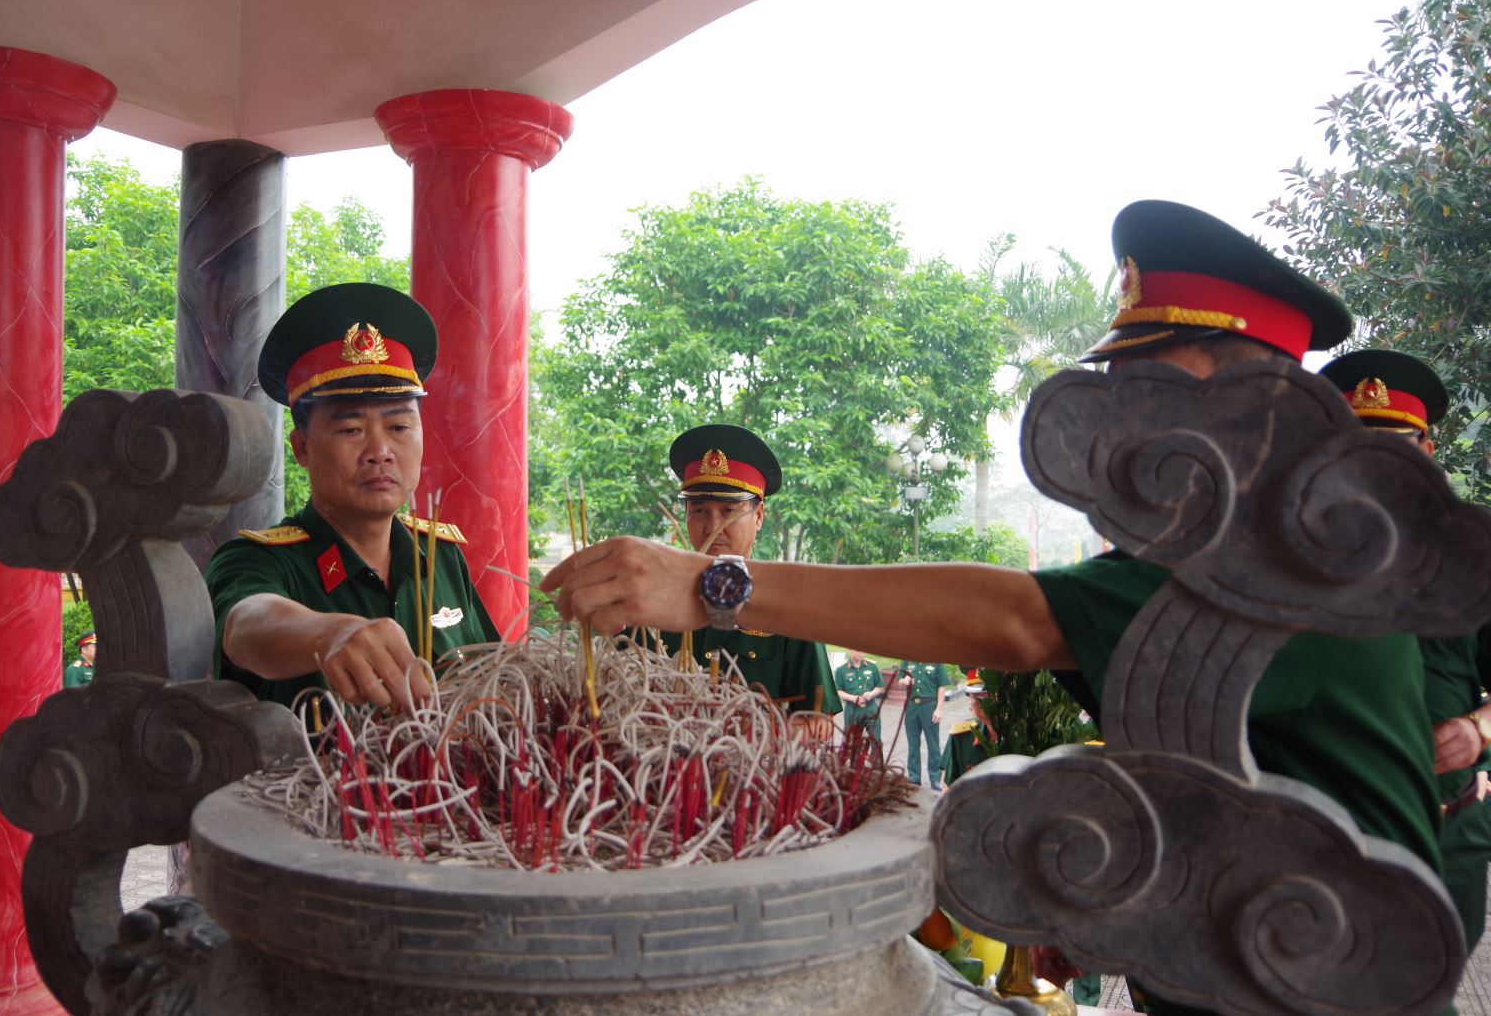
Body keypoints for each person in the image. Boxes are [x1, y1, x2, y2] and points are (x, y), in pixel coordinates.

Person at [542, 201, 1443, 1015]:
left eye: (1156, 393)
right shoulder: (1216, 546)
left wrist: (715, 585)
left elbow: (1021, 620)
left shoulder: (1297, 561)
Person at [205, 283, 499, 714]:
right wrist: (328, 634)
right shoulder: (259, 562)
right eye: (351, 430)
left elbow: (494, 679)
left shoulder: (441, 557)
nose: (380, 451)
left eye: (399, 427)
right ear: (302, 448)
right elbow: (246, 625)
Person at [1320, 347, 1491, 949]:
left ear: (1426, 451)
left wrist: (1479, 729)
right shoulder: (1291, 551)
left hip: (1448, 835)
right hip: (1322, 841)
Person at [651, 424, 841, 736]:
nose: (713, 526)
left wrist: (738, 743)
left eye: (728, 511)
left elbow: (819, 724)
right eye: (699, 510)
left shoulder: (790, 607)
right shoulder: (654, 601)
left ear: (759, 515)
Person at [899, 660, 949, 791]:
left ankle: (935, 778)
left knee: (933, 744)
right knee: (913, 744)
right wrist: (904, 681)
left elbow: (942, 686)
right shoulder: (907, 660)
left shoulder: (936, 661)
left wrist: (939, 709)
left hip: (929, 705)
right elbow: (900, 680)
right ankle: (914, 778)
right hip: (912, 706)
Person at [834, 648, 885, 741]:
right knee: (852, 742)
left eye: (862, 649)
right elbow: (838, 690)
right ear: (850, 649)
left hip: (871, 709)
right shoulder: (841, 669)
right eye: (857, 649)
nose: (860, 652)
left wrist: (871, 694)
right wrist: (852, 698)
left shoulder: (872, 666)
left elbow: (880, 686)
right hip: (852, 710)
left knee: (876, 741)